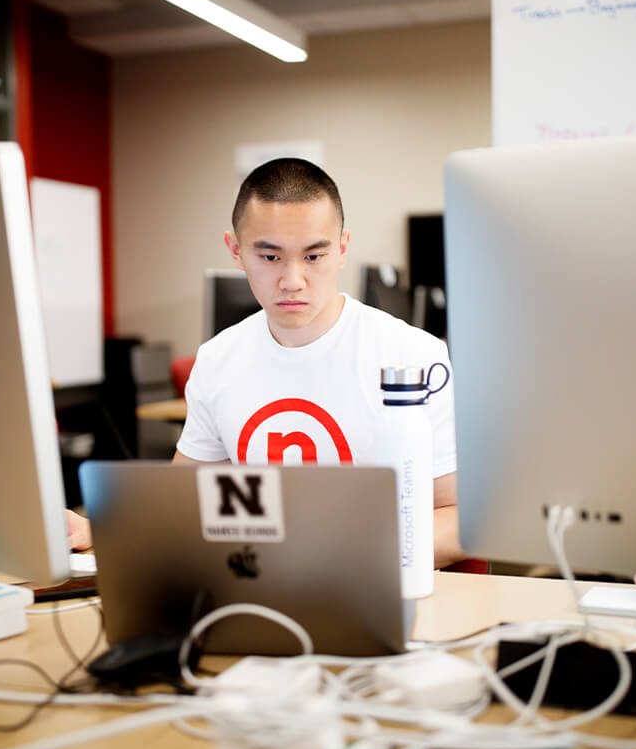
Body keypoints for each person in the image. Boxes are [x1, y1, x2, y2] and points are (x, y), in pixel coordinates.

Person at [66, 158, 466, 569]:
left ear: (342, 248)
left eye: (314, 256)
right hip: (257, 591)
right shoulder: (218, 359)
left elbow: (461, 518)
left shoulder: (411, 356)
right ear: (236, 251)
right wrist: (100, 527)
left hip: (382, 592)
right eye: (271, 257)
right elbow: (183, 501)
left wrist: (346, 556)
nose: (293, 280)